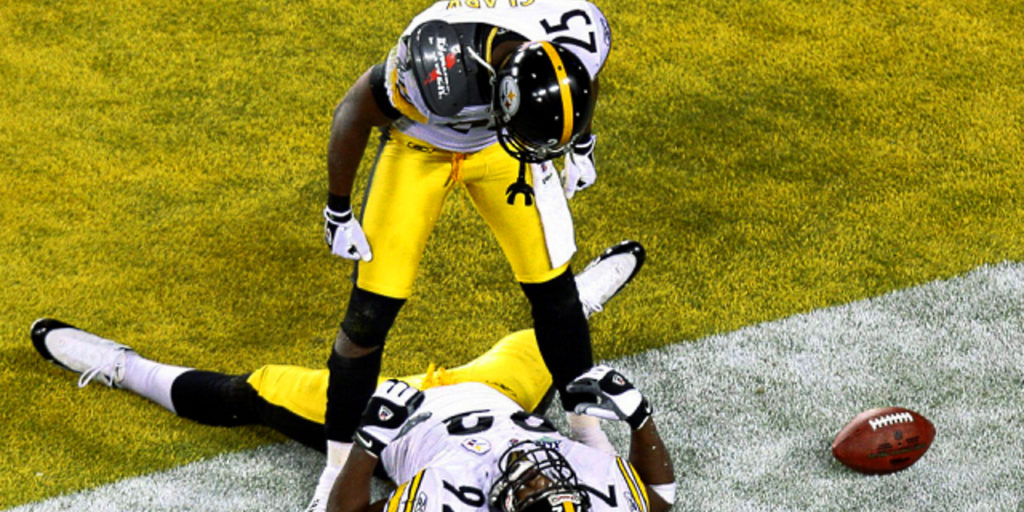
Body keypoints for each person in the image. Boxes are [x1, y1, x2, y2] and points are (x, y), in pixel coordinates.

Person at [30, 243, 674, 512]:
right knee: (551, 342)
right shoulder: (591, 499)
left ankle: (122, 367)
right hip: (498, 392)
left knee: (250, 393)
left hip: (401, 417)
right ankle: (576, 303)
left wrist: (367, 443)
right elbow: (661, 496)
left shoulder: (449, 502)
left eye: (533, 486)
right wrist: (639, 417)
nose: (542, 469)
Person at [319, 0, 614, 499]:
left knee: (556, 294)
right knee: (370, 314)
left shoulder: (578, 33)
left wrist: (579, 142)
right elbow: (353, 110)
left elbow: (580, 75)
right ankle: (339, 461)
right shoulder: (436, 67)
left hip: (496, 147)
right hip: (421, 146)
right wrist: (338, 207)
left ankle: (587, 430)